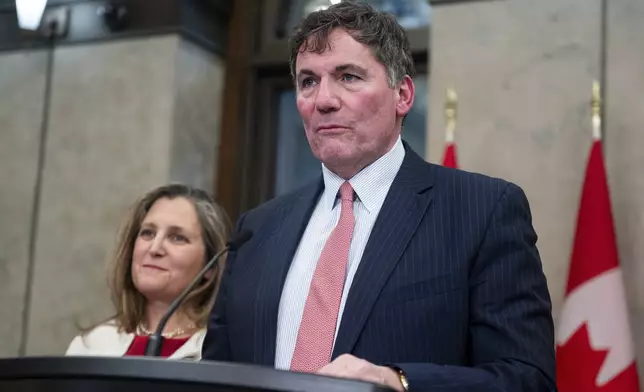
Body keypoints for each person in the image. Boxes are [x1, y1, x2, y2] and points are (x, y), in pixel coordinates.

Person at [202, 2, 555, 391]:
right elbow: (217, 377)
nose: (323, 100)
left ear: (402, 95)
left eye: (348, 77)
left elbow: (527, 379)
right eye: (307, 81)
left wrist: (396, 380)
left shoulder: (482, 211)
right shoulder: (257, 230)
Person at [66, 184, 231, 360]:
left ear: (211, 267)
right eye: (148, 233)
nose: (154, 248)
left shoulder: (221, 351)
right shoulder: (91, 344)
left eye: (177, 238)